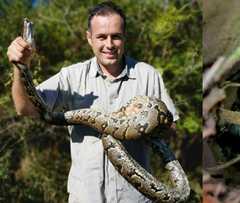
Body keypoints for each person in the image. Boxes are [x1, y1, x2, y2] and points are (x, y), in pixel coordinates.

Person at [7, 1, 179, 202]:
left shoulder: (148, 75)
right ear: (89, 38)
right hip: (86, 197)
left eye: (116, 36)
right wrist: (20, 67)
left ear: (125, 37)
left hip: (135, 198)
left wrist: (142, 122)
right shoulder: (71, 76)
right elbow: (25, 108)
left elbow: (171, 128)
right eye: (101, 37)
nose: (109, 44)